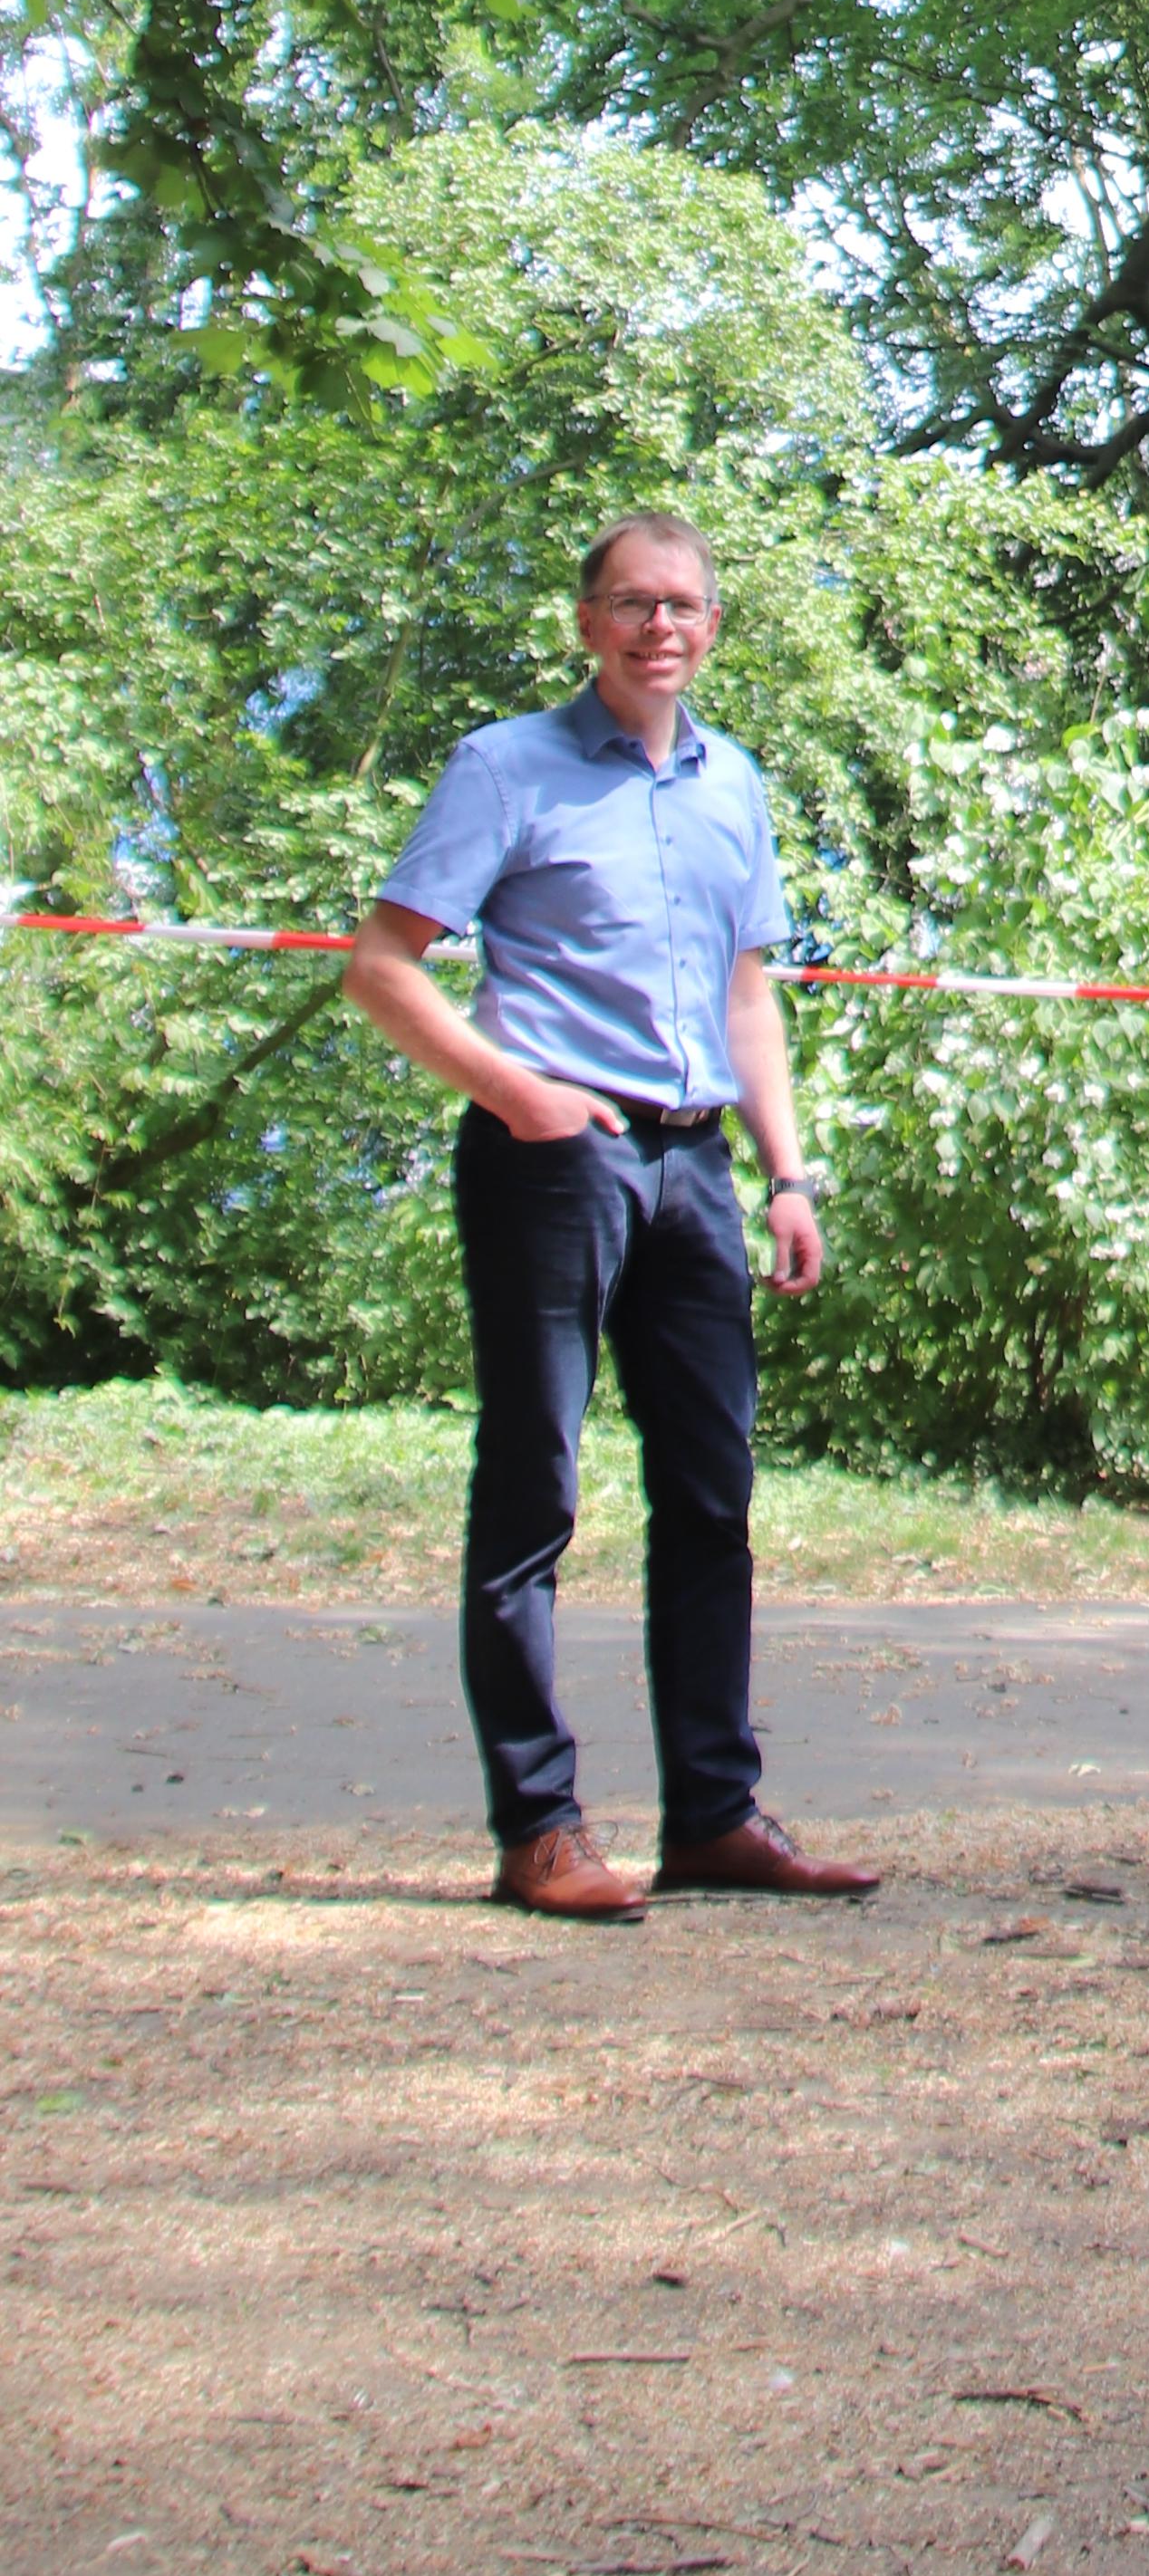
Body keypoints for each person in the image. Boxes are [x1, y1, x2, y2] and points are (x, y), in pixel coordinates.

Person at [342, 508, 879, 1924]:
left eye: (684, 606)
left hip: (696, 1169)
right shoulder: (506, 766)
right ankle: (540, 1825)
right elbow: (383, 969)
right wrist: (516, 1093)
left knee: (712, 1496)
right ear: (588, 623)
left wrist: (790, 1171)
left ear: (711, 628)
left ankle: (712, 1816)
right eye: (633, 604)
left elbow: (748, 993)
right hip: (554, 1158)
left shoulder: (733, 785)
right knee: (538, 1491)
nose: (660, 628)